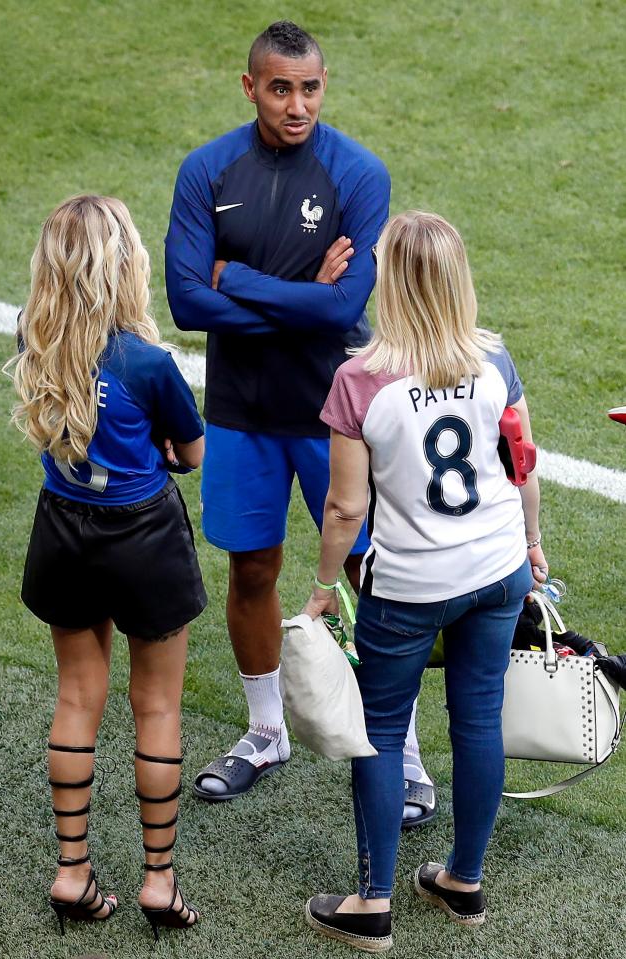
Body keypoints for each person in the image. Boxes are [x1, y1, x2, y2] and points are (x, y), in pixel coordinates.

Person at [165, 19, 433, 814]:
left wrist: (237, 278)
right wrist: (303, 294)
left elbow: (343, 308)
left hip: (337, 416)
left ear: (323, 85)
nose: (296, 104)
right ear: (249, 86)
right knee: (251, 568)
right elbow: (185, 302)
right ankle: (264, 730)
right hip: (243, 413)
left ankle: (403, 751)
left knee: (366, 576)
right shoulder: (207, 170)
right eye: (279, 87)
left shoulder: (358, 173)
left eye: (309, 87)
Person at [302, 211, 547, 952]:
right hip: (497, 566)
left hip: (409, 583)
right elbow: (522, 464)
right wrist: (533, 547)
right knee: (476, 717)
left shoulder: (359, 378)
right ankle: (462, 882)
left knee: (377, 732)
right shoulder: (493, 358)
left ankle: (370, 903)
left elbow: (346, 505)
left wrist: (320, 586)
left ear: (393, 282)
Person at [8, 195, 206, 941]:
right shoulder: (150, 363)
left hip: (63, 532)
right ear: (122, 266)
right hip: (144, 537)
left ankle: (72, 870)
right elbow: (191, 455)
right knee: (155, 706)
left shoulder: (34, 335)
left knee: (76, 696)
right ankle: (158, 882)